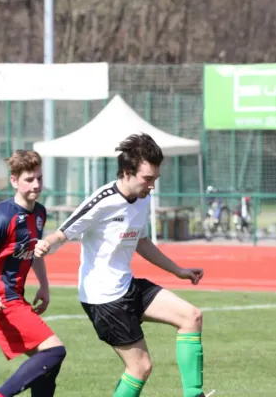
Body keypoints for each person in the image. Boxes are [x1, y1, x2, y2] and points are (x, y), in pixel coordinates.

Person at [35, 133, 214, 397]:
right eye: (148, 179)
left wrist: (178, 270)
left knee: (191, 317)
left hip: (126, 286)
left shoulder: (142, 197)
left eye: (155, 178)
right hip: (103, 299)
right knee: (140, 367)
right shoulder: (103, 200)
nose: (152, 185)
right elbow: (63, 231)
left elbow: (141, 242)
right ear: (127, 172)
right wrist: (47, 243)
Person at [0, 149, 66, 397]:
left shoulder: (40, 213)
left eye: (39, 178)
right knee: (55, 351)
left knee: (47, 365)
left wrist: (44, 286)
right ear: (14, 181)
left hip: (14, 297)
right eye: (29, 179)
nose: (36, 185)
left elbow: (35, 252)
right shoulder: (3, 216)